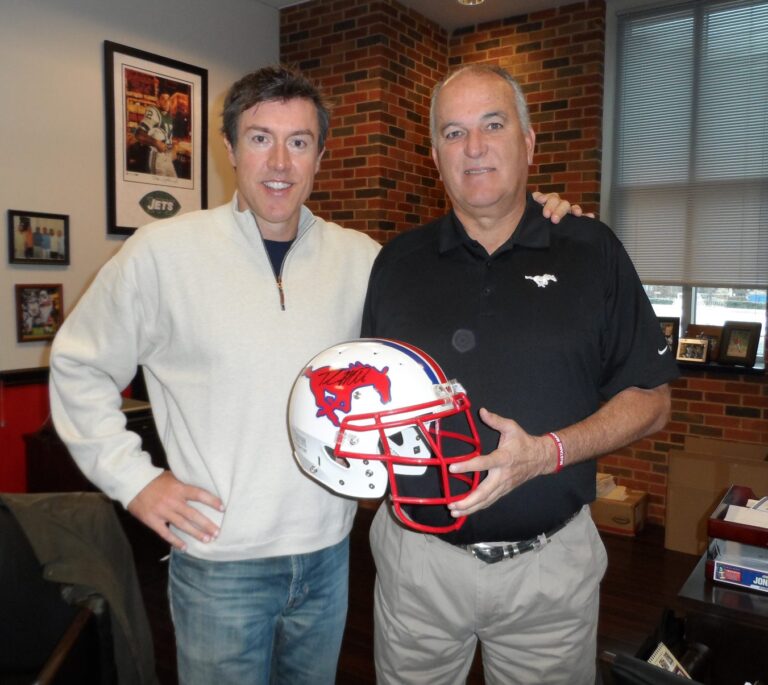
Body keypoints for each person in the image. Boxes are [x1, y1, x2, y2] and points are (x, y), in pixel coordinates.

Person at [49, 64, 578, 684]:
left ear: (320, 156)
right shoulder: (162, 254)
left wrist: (540, 216)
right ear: (228, 150)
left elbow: (447, 341)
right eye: (259, 138)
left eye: (298, 142)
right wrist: (135, 481)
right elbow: (78, 367)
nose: (279, 161)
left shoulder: (363, 259)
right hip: (221, 563)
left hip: (329, 556)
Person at [361, 64, 678, 685]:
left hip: (547, 573)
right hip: (415, 567)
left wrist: (548, 453)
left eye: (493, 125)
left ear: (528, 143)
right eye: (454, 133)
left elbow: (652, 399)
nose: (473, 148)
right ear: (434, 155)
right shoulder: (396, 262)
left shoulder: (592, 250)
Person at [134, 91, 177, 177]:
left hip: (168, 158)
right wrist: (156, 143)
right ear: (158, 101)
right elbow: (139, 134)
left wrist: (172, 147)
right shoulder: (154, 112)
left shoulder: (169, 117)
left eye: (168, 99)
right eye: (163, 99)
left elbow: (166, 140)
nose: (166, 102)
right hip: (157, 157)